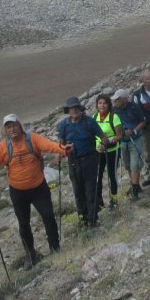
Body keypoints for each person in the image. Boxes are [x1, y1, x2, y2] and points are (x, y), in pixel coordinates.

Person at [0, 114, 69, 269]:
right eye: (8, 127)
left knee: (48, 216)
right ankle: (30, 254)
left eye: (14, 126)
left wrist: (63, 150)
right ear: (5, 130)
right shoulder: (3, 147)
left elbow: (48, 145)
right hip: (18, 192)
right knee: (23, 223)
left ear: (19, 126)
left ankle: (55, 247)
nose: (12, 129)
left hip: (39, 187)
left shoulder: (32, 138)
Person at [58, 96, 113, 227]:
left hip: (90, 160)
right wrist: (61, 152)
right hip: (73, 161)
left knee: (90, 191)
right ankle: (83, 219)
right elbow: (60, 144)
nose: (74, 111)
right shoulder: (64, 125)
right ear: (68, 110)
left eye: (76, 108)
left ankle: (92, 220)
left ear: (80, 109)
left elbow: (103, 137)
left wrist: (104, 144)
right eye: (71, 108)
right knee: (78, 191)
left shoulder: (89, 122)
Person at [112, 88, 147, 200]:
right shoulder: (114, 110)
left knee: (135, 164)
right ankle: (134, 185)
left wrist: (134, 131)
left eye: (117, 99)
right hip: (122, 141)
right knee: (127, 165)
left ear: (123, 100)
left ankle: (135, 191)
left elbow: (143, 121)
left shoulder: (134, 107)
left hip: (135, 139)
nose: (115, 101)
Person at [92, 94, 123, 208]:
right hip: (98, 151)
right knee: (97, 176)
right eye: (100, 103)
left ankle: (114, 200)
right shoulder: (94, 118)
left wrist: (108, 141)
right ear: (97, 105)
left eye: (104, 103)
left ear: (109, 104)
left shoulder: (114, 117)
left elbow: (120, 136)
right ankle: (99, 201)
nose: (102, 105)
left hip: (112, 151)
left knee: (112, 175)